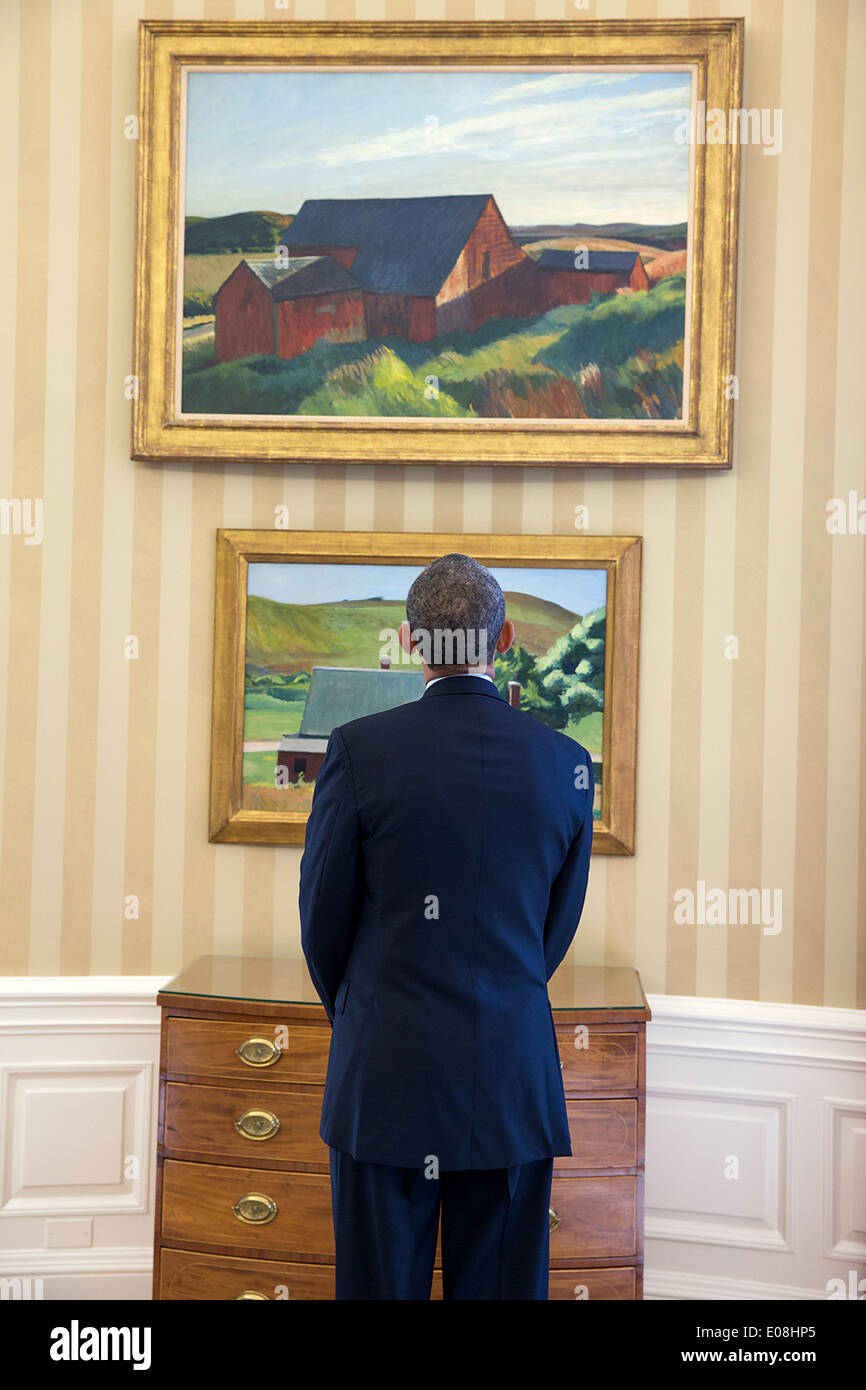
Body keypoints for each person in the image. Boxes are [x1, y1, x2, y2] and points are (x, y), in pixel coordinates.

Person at [299, 552, 594, 1299]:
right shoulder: (566, 763)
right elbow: (551, 934)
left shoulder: (359, 751)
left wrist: (369, 1015)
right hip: (510, 1081)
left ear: (409, 640)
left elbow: (322, 923)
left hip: (387, 1075)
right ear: (505, 640)